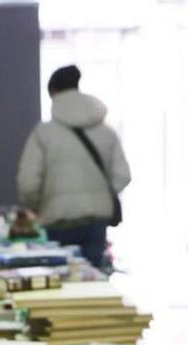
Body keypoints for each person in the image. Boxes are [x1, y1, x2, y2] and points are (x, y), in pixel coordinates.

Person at [17, 65, 130, 270]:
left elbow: (28, 183)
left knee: (64, 284)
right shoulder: (106, 131)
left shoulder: (43, 134)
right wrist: (100, 195)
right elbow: (123, 175)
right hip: (96, 222)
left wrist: (39, 206)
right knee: (94, 281)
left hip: (58, 222)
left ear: (53, 93)